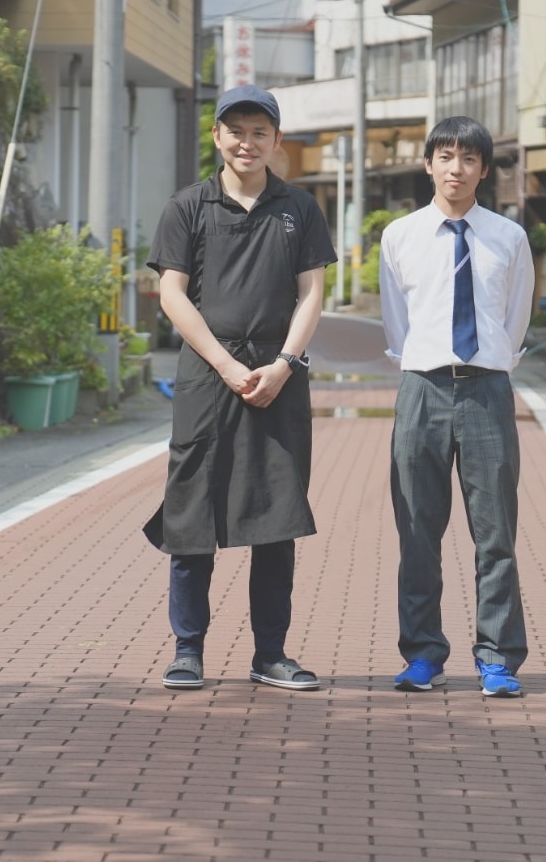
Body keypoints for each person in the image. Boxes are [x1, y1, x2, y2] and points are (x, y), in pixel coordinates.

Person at [144, 84, 336, 692]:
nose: (247, 142)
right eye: (236, 130)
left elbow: (312, 293)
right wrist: (226, 365)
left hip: (280, 378)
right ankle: (187, 649)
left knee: (276, 518)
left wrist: (283, 363)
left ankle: (270, 654)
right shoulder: (189, 206)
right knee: (192, 512)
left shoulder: (299, 208)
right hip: (207, 378)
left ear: (276, 141)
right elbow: (171, 291)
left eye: (260, 132)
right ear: (217, 136)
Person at [378, 115, 535, 698]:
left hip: (488, 389)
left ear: (483, 170)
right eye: (445, 157)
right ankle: (423, 654)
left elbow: (515, 318)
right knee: (417, 528)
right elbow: (396, 320)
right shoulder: (400, 236)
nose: (456, 169)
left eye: (469, 159)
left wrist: (492, 363)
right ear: (428, 165)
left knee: (495, 532)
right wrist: (420, 362)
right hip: (421, 388)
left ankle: (497, 657)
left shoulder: (508, 237)